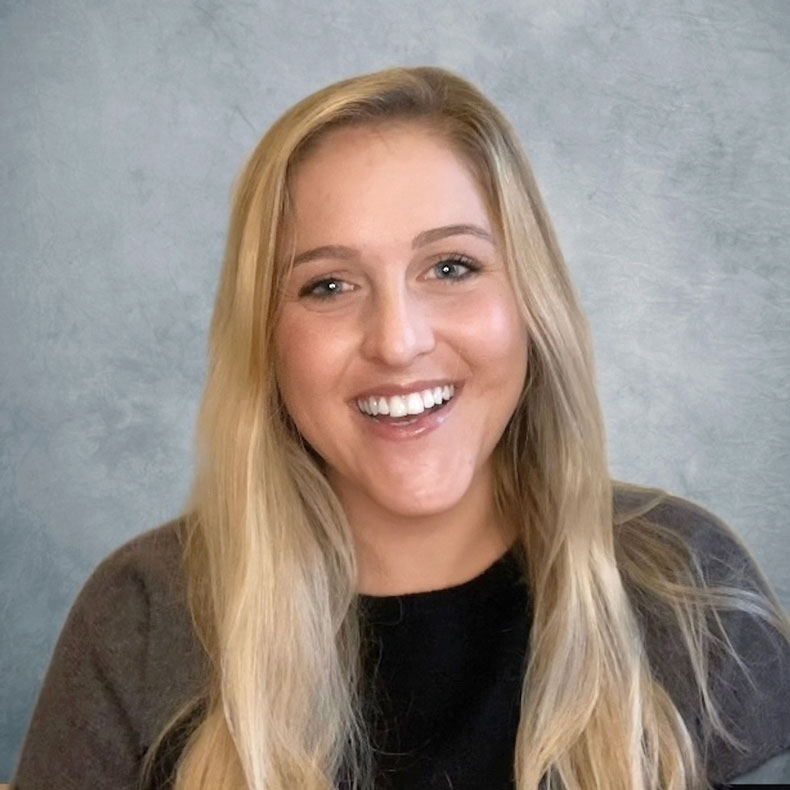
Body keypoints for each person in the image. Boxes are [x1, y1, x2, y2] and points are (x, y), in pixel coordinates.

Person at [12, 66, 790, 790]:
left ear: (530, 303)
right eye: (329, 284)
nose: (397, 340)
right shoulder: (142, 618)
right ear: (266, 342)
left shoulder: (689, 591)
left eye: (451, 267)